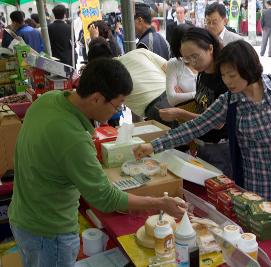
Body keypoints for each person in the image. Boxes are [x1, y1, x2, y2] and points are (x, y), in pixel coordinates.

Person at [8, 58, 186, 267]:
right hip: (50, 232)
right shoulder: (73, 139)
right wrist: (159, 203)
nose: (118, 112)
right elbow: (106, 199)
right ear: (96, 98)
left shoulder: (48, 100)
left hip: (23, 217)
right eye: (117, 105)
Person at [135, 40, 271, 228]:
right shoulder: (228, 102)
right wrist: (153, 145)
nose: (227, 81)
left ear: (248, 68)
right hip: (258, 185)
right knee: (264, 234)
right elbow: (194, 127)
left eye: (232, 75)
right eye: (224, 75)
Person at [152, 27, 233, 178]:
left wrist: (180, 113)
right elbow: (201, 108)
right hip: (203, 143)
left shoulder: (224, 78)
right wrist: (195, 140)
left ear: (210, 48)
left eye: (195, 56)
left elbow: (216, 123)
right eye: (187, 59)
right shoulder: (202, 74)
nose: (193, 63)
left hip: (220, 147)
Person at [87, 38, 173, 126]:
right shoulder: (139, 52)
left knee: (176, 137)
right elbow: (169, 67)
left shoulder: (109, 79)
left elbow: (105, 108)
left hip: (158, 108)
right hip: (174, 94)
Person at [166, 24, 197, 106]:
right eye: (182, 45)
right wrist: (198, 95)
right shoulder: (174, 64)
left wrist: (183, 96)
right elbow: (172, 99)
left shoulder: (204, 61)